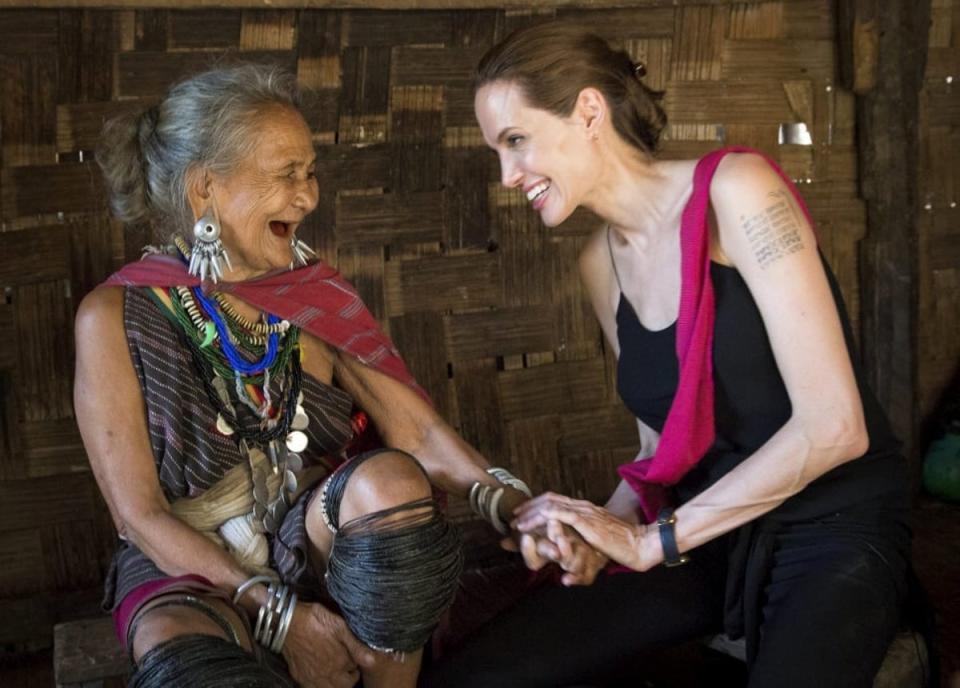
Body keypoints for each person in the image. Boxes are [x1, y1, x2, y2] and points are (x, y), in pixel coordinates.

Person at [422, 23, 912, 688]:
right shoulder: (601, 264)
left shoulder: (736, 191)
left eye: (516, 140)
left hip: (829, 525)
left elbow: (835, 426)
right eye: (496, 152)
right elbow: (663, 447)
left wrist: (652, 541)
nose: (507, 176)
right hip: (706, 537)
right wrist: (596, 529)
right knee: (476, 676)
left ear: (588, 111)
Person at [75, 63, 537, 688]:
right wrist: (282, 620)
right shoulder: (114, 316)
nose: (308, 196)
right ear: (204, 189)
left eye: (310, 173)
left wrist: (517, 506)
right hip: (186, 566)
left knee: (393, 485)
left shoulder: (312, 294)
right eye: (286, 176)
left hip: (308, 535)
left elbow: (419, 436)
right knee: (177, 654)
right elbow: (139, 519)